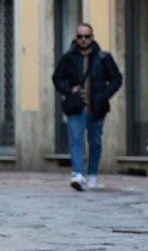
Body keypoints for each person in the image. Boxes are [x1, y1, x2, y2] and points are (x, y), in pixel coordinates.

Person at [52, 23, 122, 191]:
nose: (83, 40)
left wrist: (105, 94)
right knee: (76, 139)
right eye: (80, 36)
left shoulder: (103, 57)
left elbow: (117, 79)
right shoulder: (68, 57)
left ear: (92, 38)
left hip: (97, 107)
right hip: (76, 106)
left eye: (86, 36)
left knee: (95, 141)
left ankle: (92, 175)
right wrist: (70, 90)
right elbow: (57, 78)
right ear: (76, 38)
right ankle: (78, 174)